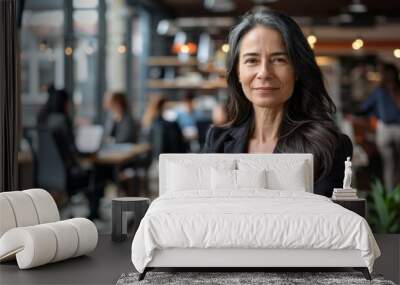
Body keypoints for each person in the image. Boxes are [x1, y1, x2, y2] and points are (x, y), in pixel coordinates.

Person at [203, 10, 353, 197]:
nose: (264, 72)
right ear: (237, 72)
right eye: (252, 60)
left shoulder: (330, 146)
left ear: (297, 70)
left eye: (279, 59)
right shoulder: (217, 141)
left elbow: (325, 223)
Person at [359, 63, 400, 190]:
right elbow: (364, 108)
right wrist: (374, 114)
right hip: (384, 127)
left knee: (395, 164)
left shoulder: (396, 90)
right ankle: (390, 193)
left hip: (397, 126)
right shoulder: (379, 91)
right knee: (388, 164)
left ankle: (395, 191)